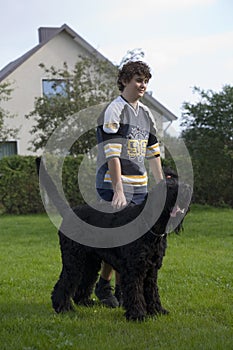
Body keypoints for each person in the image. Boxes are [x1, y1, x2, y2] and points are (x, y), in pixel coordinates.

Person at [95, 60, 164, 307]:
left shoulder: (146, 114)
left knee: (135, 242)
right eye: (138, 80)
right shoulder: (114, 111)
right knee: (118, 240)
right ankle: (104, 286)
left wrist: (160, 186)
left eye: (145, 81)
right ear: (124, 81)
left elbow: (153, 153)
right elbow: (112, 154)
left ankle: (123, 291)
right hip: (113, 184)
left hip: (140, 186)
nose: (142, 85)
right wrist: (118, 190)